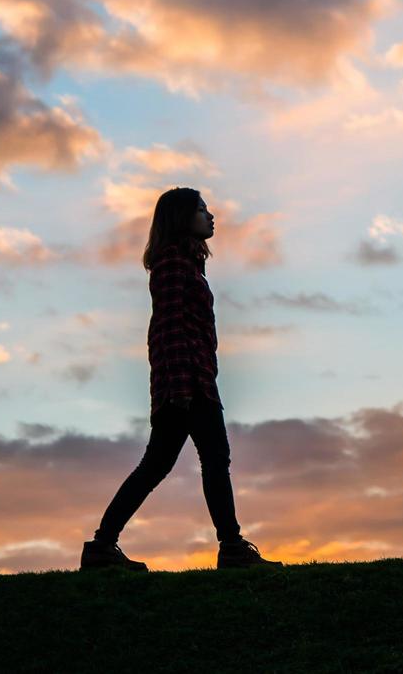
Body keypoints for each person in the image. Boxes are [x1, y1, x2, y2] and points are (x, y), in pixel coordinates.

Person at [81, 186, 279, 570]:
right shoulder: (173, 263)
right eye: (202, 209)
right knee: (212, 460)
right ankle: (232, 548)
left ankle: (102, 547)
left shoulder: (184, 264)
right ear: (181, 218)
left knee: (157, 466)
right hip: (188, 384)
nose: (211, 215)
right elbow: (168, 326)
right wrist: (183, 389)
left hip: (190, 381)